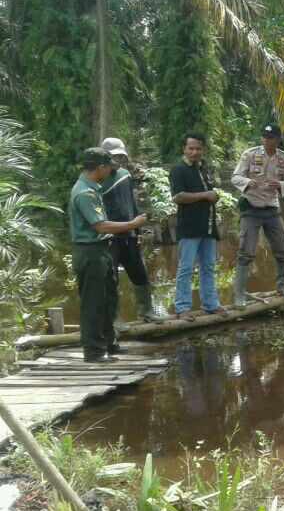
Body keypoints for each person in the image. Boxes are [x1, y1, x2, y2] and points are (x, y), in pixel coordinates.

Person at [69, 148, 146, 362]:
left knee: (107, 298)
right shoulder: (85, 193)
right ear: (101, 167)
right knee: (93, 303)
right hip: (89, 252)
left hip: (101, 250)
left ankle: (109, 344)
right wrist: (132, 224)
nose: (111, 169)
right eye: (109, 166)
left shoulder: (93, 188)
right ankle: (93, 352)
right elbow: (100, 226)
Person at [98, 137, 164, 326]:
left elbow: (132, 202)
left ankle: (146, 311)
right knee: (111, 277)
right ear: (105, 157)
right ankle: (114, 317)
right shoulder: (99, 179)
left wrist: (139, 229)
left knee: (139, 271)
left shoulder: (125, 175)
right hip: (110, 234)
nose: (118, 161)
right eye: (114, 157)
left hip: (130, 233)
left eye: (121, 157)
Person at [231, 123, 284, 309]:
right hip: (251, 209)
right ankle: (239, 295)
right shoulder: (249, 154)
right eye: (263, 137)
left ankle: (281, 287)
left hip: (272, 209)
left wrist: (280, 185)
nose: (266, 140)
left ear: (277, 139)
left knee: (282, 249)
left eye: (270, 138)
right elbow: (235, 177)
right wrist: (247, 181)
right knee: (246, 252)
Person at [169, 132, 226, 318]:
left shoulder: (203, 169)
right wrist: (205, 195)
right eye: (191, 148)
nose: (194, 152)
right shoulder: (178, 170)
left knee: (208, 267)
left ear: (203, 150)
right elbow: (178, 197)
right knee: (185, 268)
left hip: (208, 227)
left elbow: (209, 192)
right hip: (189, 227)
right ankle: (182, 308)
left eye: (198, 148)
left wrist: (214, 195)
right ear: (184, 149)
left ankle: (210, 303)